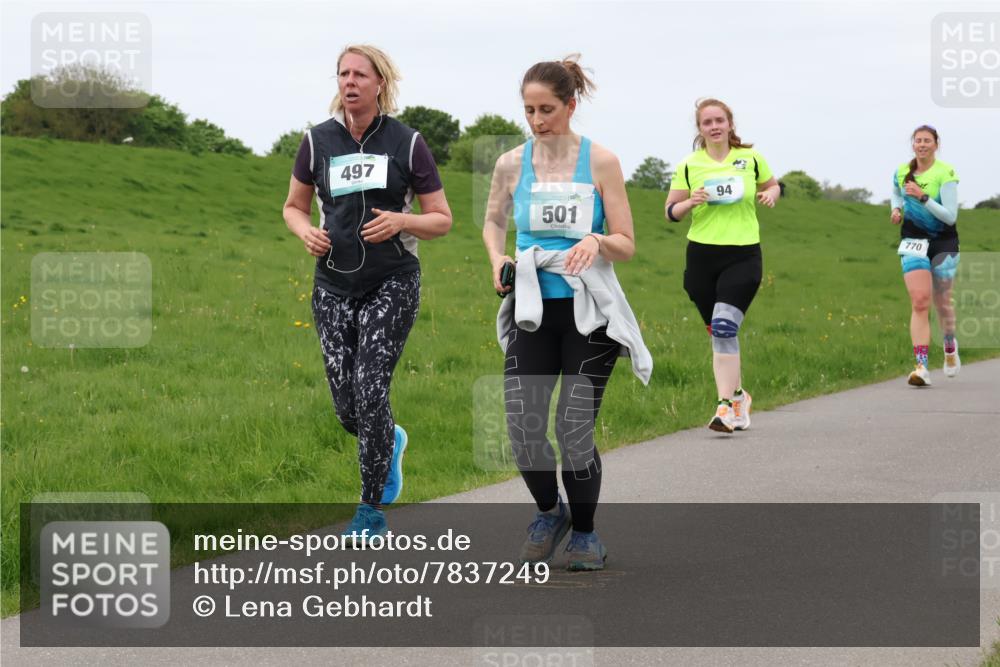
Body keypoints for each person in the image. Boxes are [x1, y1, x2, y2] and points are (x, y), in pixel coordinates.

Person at [483, 55, 651, 571]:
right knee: (524, 426)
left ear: (571, 105)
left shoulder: (601, 162)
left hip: (588, 314)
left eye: (547, 109)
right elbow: (492, 223)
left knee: (573, 425)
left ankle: (584, 534)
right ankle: (547, 511)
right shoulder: (511, 163)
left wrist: (597, 241)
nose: (536, 120)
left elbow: (627, 243)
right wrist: (499, 257)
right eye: (529, 110)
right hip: (535, 308)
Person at [281, 45, 452, 543]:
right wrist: (303, 231)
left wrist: (403, 219)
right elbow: (293, 206)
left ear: (381, 83)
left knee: (372, 385)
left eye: (360, 74)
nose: (349, 82)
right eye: (343, 74)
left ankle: (370, 509)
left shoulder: (408, 142)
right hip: (332, 284)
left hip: (392, 281)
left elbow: (441, 218)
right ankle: (390, 441)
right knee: (347, 407)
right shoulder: (317, 142)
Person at [665, 98, 780, 433]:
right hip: (701, 257)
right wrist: (690, 202)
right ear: (700, 129)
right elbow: (670, 212)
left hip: (743, 254)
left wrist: (771, 194)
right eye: (707, 122)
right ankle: (740, 395)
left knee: (725, 326)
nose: (714, 126)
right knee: (718, 332)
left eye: (719, 120)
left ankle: (725, 407)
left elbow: (772, 184)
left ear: (730, 123)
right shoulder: (690, 165)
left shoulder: (751, 159)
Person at [890, 125, 961, 387]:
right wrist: (896, 210)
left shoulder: (946, 173)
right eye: (918, 140)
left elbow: (950, 216)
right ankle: (921, 367)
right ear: (913, 144)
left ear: (936, 144)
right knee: (920, 301)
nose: (922, 144)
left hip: (944, 241)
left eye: (927, 141)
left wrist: (923, 198)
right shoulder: (901, 171)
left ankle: (950, 346)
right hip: (913, 241)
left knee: (942, 302)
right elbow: (896, 193)